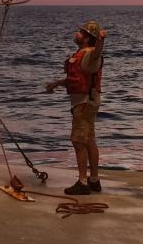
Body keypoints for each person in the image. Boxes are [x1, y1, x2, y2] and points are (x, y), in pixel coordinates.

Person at [45, 21, 106, 196]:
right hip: (84, 102)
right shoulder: (80, 54)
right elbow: (75, 77)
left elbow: (97, 54)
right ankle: (94, 180)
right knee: (89, 140)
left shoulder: (90, 54)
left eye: (81, 32)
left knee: (78, 141)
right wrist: (56, 84)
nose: (77, 33)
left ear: (87, 38)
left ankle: (82, 182)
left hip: (84, 103)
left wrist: (101, 40)